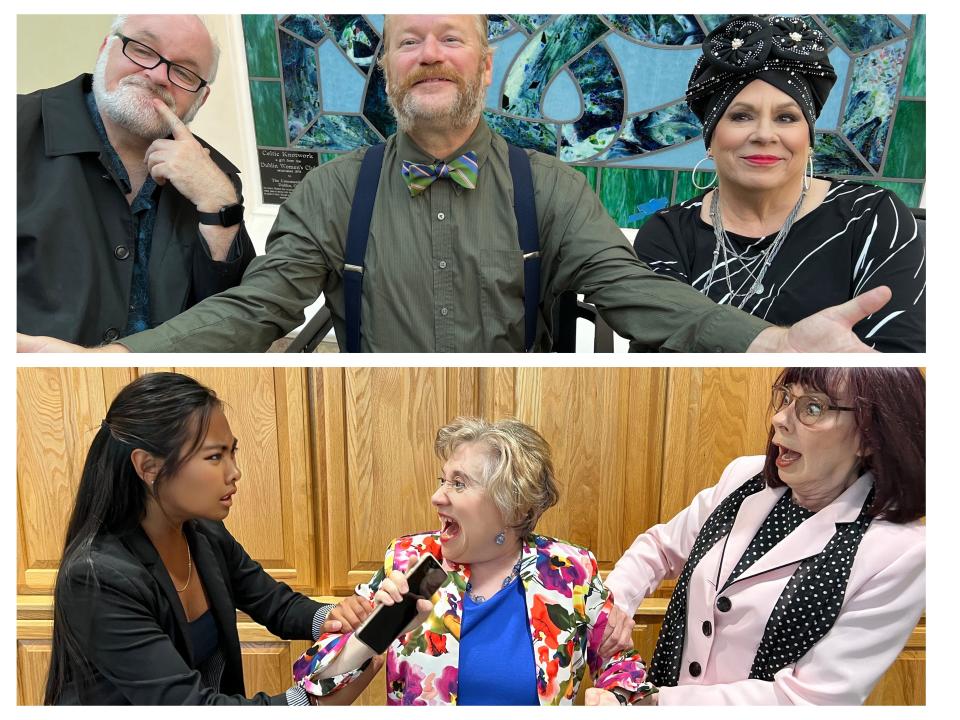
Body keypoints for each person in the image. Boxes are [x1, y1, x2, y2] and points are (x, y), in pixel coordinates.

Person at [17, 14, 891, 354]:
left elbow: (630, 294)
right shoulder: (330, 192)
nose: (429, 53)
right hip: (373, 439)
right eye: (408, 41)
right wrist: (119, 360)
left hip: (524, 447)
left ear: (483, 64)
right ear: (388, 71)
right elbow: (256, 310)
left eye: (450, 39)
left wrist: (770, 341)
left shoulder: (549, 188)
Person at [588, 367, 925, 705]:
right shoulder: (744, 478)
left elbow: (810, 701)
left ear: (870, 437)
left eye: (812, 408)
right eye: (786, 397)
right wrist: (611, 610)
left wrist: (654, 703)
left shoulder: (900, 552)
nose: (780, 418)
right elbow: (660, 548)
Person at [44, 372, 379, 705]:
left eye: (232, 453)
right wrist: (310, 702)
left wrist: (334, 617)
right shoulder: (96, 578)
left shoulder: (204, 533)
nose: (235, 472)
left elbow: (274, 603)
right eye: (215, 456)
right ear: (148, 467)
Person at [291, 418, 653, 705]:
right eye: (442, 480)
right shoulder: (407, 561)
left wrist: (616, 700)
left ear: (513, 505)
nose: (436, 497)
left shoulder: (569, 570)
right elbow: (314, 680)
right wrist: (378, 629)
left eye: (459, 484)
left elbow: (622, 666)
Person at [632, 15, 925, 352]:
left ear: (809, 139)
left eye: (786, 117)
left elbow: (902, 358)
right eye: (741, 116)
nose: (764, 135)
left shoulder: (871, 217)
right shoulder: (666, 234)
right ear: (711, 138)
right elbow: (656, 353)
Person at [18, 14, 256, 347]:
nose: (158, 75)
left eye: (184, 71)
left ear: (201, 98)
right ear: (105, 49)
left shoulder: (216, 179)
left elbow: (233, 323)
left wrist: (219, 206)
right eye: (143, 49)